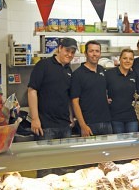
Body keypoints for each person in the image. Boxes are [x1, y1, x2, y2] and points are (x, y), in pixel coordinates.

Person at [27, 38, 77, 177]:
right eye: (67, 50)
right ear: (59, 48)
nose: (70, 54)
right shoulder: (43, 65)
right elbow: (32, 90)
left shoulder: (68, 70)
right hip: (45, 126)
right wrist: (35, 118)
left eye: (73, 52)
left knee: (64, 168)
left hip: (64, 126)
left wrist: (71, 116)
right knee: (45, 169)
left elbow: (67, 96)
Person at [71, 40, 112, 137]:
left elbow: (100, 90)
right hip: (89, 124)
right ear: (85, 53)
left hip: (106, 122)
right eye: (91, 51)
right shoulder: (77, 74)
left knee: (109, 151)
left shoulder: (102, 70)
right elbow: (75, 102)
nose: (94, 54)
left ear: (100, 53)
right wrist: (83, 125)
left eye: (97, 51)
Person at [105, 49, 138, 134]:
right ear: (119, 59)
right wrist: (104, 97)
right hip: (115, 117)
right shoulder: (109, 74)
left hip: (132, 117)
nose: (128, 61)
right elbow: (99, 89)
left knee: (132, 144)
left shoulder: (134, 75)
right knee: (119, 145)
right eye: (125, 58)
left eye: (131, 59)